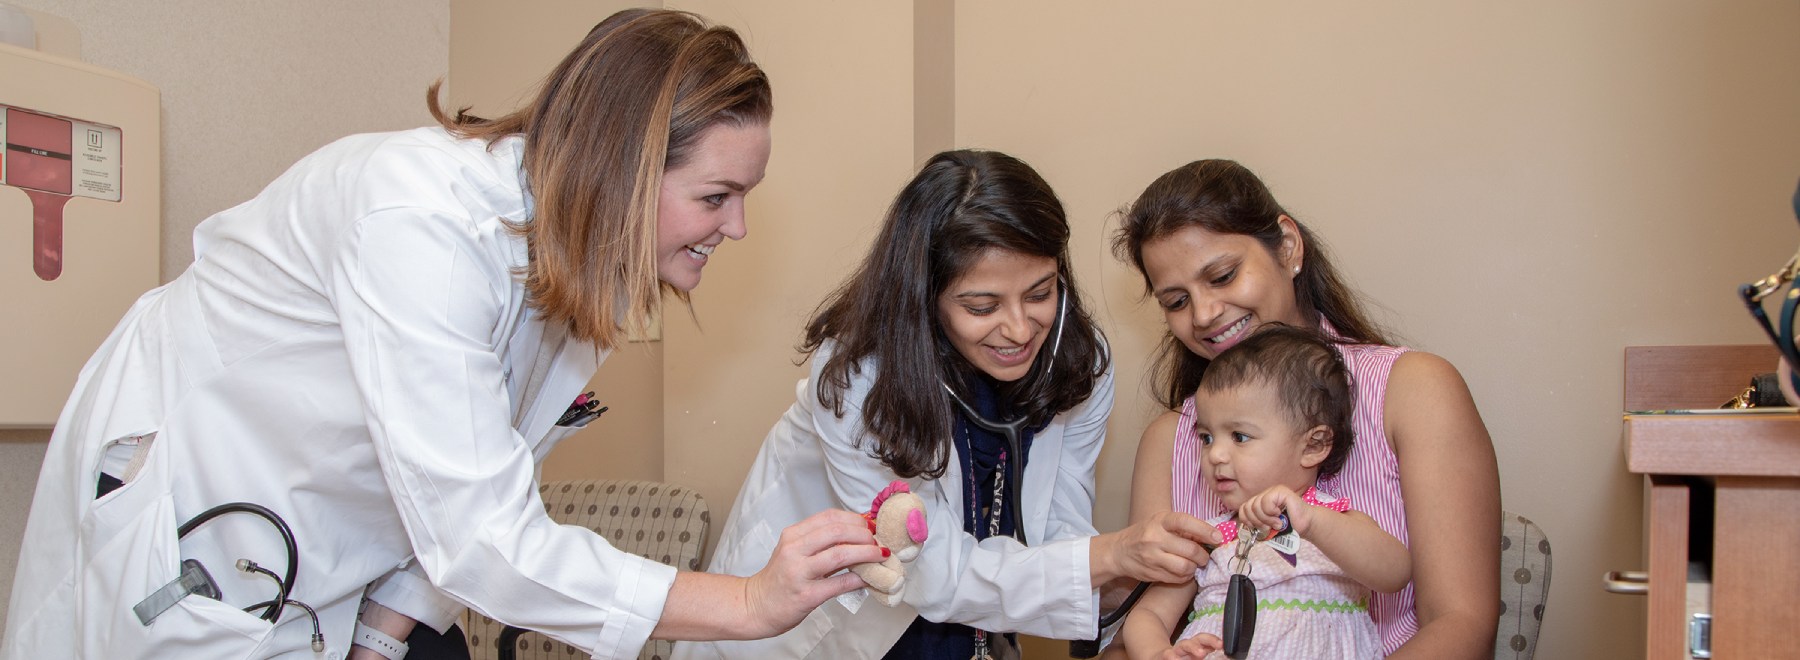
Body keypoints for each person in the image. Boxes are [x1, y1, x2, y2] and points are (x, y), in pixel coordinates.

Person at [1, 10, 884, 660]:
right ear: (622, 174)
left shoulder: (576, 278)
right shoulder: (417, 220)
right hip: (192, 501)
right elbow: (479, 534)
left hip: (338, 546)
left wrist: (381, 643)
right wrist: (743, 602)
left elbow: (467, 481)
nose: (735, 230)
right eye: (716, 197)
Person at [674, 150, 1221, 659]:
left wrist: (1119, 576)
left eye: (1040, 292)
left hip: (976, 624)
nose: (1019, 328)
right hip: (834, 626)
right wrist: (1108, 557)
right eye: (981, 306)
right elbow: (929, 568)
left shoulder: (1076, 362)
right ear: (925, 296)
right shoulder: (861, 380)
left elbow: (1057, 525)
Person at [1109, 159, 1500, 658]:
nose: (1204, 315)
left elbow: (1462, 624)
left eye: (1223, 276)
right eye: (1177, 301)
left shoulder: (1412, 390)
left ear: (1288, 247)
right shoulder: (1171, 439)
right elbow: (1140, 630)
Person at [1119, 326, 1409, 660]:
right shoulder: (1211, 539)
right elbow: (1147, 615)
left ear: (1313, 445)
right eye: (1207, 438)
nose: (1215, 455)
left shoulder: (1336, 523)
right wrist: (1157, 652)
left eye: (1239, 437)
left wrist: (1312, 521)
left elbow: (1395, 572)